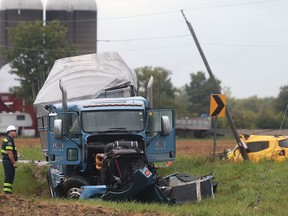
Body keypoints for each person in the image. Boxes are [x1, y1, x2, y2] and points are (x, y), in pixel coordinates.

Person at [1, 125, 18, 194]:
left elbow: (11, 151)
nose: (15, 133)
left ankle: (8, 191)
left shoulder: (9, 140)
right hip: (8, 161)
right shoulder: (9, 141)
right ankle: (6, 192)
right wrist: (13, 162)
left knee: (10, 176)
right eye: (14, 131)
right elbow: (9, 152)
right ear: (10, 132)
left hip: (8, 161)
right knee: (9, 176)